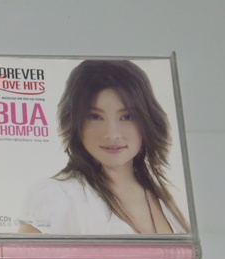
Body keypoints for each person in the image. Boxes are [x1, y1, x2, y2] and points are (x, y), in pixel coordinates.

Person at [19, 60, 190, 235]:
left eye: (127, 117)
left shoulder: (171, 197)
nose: (112, 134)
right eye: (95, 116)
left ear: (147, 120)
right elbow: (21, 253)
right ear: (75, 122)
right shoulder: (56, 196)